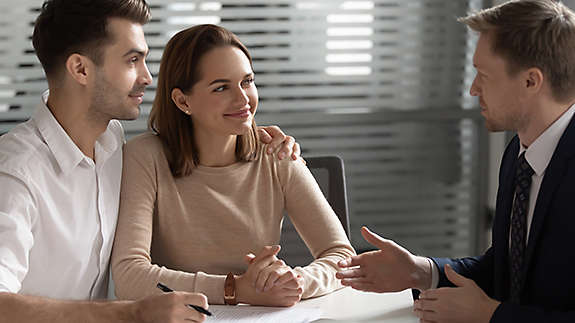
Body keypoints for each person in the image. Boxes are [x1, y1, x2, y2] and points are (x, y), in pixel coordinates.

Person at [0, 1, 300, 322]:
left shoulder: (111, 141)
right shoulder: (15, 173)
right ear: (80, 69)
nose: (147, 76)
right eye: (133, 60)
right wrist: (133, 313)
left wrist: (251, 134)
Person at [336, 0, 575, 322]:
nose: (474, 89)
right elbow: (508, 268)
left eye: (483, 75)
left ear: (531, 81)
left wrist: (491, 315)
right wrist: (421, 272)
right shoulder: (522, 152)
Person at [110, 24, 356, 307]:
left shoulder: (275, 152)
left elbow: (341, 255)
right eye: (221, 87)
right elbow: (129, 276)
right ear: (182, 100)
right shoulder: (145, 157)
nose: (243, 99)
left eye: (247, 81)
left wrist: (294, 282)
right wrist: (235, 289)